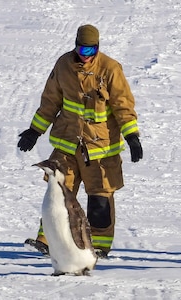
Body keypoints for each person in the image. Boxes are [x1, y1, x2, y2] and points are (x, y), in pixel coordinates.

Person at [17, 24, 143, 258]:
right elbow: (50, 101)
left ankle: (98, 246)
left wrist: (132, 136)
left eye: (90, 52)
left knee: (100, 200)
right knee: (59, 193)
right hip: (67, 143)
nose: (85, 57)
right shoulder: (63, 65)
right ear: (75, 46)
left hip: (100, 149)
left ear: (97, 48)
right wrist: (34, 131)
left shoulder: (111, 69)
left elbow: (123, 105)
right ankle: (46, 240)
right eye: (81, 50)